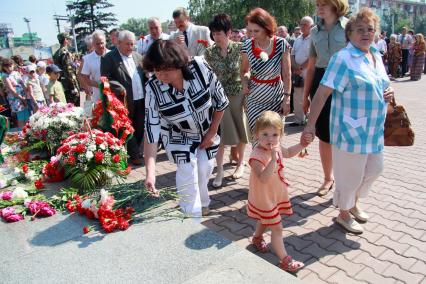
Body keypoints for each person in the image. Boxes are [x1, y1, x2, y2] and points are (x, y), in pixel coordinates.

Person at [302, 8, 394, 234]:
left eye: (370, 29)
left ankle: (351, 202)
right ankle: (344, 213)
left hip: (374, 129)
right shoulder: (343, 58)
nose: (366, 33)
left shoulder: (375, 55)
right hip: (350, 130)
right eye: (360, 29)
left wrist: (389, 92)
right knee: (350, 176)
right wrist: (311, 124)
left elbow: (382, 84)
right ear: (349, 34)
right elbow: (323, 93)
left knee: (375, 169)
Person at [143, 40, 229, 216]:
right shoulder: (152, 88)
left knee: (204, 168)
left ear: (178, 64)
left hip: (207, 129)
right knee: (187, 169)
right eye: (156, 70)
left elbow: (221, 101)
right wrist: (150, 174)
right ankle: (191, 213)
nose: (160, 75)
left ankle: (203, 203)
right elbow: (151, 130)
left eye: (165, 69)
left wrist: (212, 133)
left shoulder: (199, 67)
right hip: (177, 134)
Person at [248, 111, 309, 272]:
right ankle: (285, 260)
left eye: (275, 134)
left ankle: (257, 238)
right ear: (256, 134)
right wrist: (273, 159)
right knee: (277, 227)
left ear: (280, 134)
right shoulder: (256, 155)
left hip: (274, 194)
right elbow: (262, 177)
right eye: (265, 134)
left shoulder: (276, 147)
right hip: (264, 197)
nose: (270, 139)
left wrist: (302, 145)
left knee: (264, 218)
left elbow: (288, 152)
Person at [303, 0, 349, 197]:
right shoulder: (314, 32)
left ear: (336, 5)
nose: (319, 7)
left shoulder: (350, 27)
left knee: (346, 133)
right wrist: (305, 97)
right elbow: (311, 67)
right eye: (317, 4)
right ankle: (328, 178)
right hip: (321, 81)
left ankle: (345, 183)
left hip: (346, 81)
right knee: (324, 134)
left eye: (324, 3)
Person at [204, 13, 250, 187]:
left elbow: (248, 69)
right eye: (214, 34)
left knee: (241, 130)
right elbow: (207, 76)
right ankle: (220, 170)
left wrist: (246, 78)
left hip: (238, 95)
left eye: (219, 33)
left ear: (229, 32)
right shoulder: (208, 52)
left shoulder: (241, 48)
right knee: (220, 134)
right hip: (218, 97)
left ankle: (240, 164)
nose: (216, 37)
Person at [241, 8, 292, 140]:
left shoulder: (281, 44)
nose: (252, 34)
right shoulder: (246, 45)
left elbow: (287, 74)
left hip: (276, 99)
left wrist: (287, 98)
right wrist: (245, 81)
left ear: (267, 27)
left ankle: (274, 161)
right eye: (250, 30)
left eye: (256, 31)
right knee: (257, 138)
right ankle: (258, 161)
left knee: (274, 139)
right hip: (254, 99)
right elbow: (244, 71)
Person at [101, 30, 147, 166]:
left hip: (140, 98)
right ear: (119, 43)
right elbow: (106, 78)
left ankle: (136, 151)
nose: (130, 47)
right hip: (124, 100)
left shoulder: (138, 57)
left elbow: (144, 75)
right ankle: (134, 154)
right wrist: (119, 87)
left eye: (132, 44)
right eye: (127, 44)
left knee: (140, 125)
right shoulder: (109, 58)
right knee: (127, 127)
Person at [291, 16, 314, 126]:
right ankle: (298, 119)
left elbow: (314, 56)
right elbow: (292, 54)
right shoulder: (297, 39)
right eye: (301, 24)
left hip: (308, 71)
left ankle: (309, 119)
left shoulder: (314, 39)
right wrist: (295, 67)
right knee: (297, 95)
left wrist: (301, 68)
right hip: (297, 71)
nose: (302, 26)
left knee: (308, 95)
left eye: (305, 24)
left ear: (311, 26)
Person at [80, 30, 110, 103]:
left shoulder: (112, 55)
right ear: (93, 44)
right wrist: (100, 86)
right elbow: (85, 78)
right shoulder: (87, 59)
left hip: (114, 94)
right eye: (97, 44)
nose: (100, 46)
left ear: (105, 42)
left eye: (102, 43)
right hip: (98, 97)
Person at [53, 32, 80, 105]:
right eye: (69, 39)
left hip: (63, 83)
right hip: (70, 84)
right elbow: (69, 71)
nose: (70, 41)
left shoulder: (56, 53)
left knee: (68, 106)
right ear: (65, 40)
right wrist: (73, 86)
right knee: (75, 107)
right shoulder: (65, 53)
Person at [2, 59, 29, 129]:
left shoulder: (16, 73)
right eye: (7, 67)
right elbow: (12, 90)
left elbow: (22, 83)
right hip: (15, 99)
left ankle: (28, 133)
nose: (9, 68)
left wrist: (25, 95)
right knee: (20, 117)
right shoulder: (5, 76)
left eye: (10, 66)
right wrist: (22, 98)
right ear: (4, 68)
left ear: (13, 65)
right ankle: (22, 134)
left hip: (23, 95)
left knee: (27, 115)